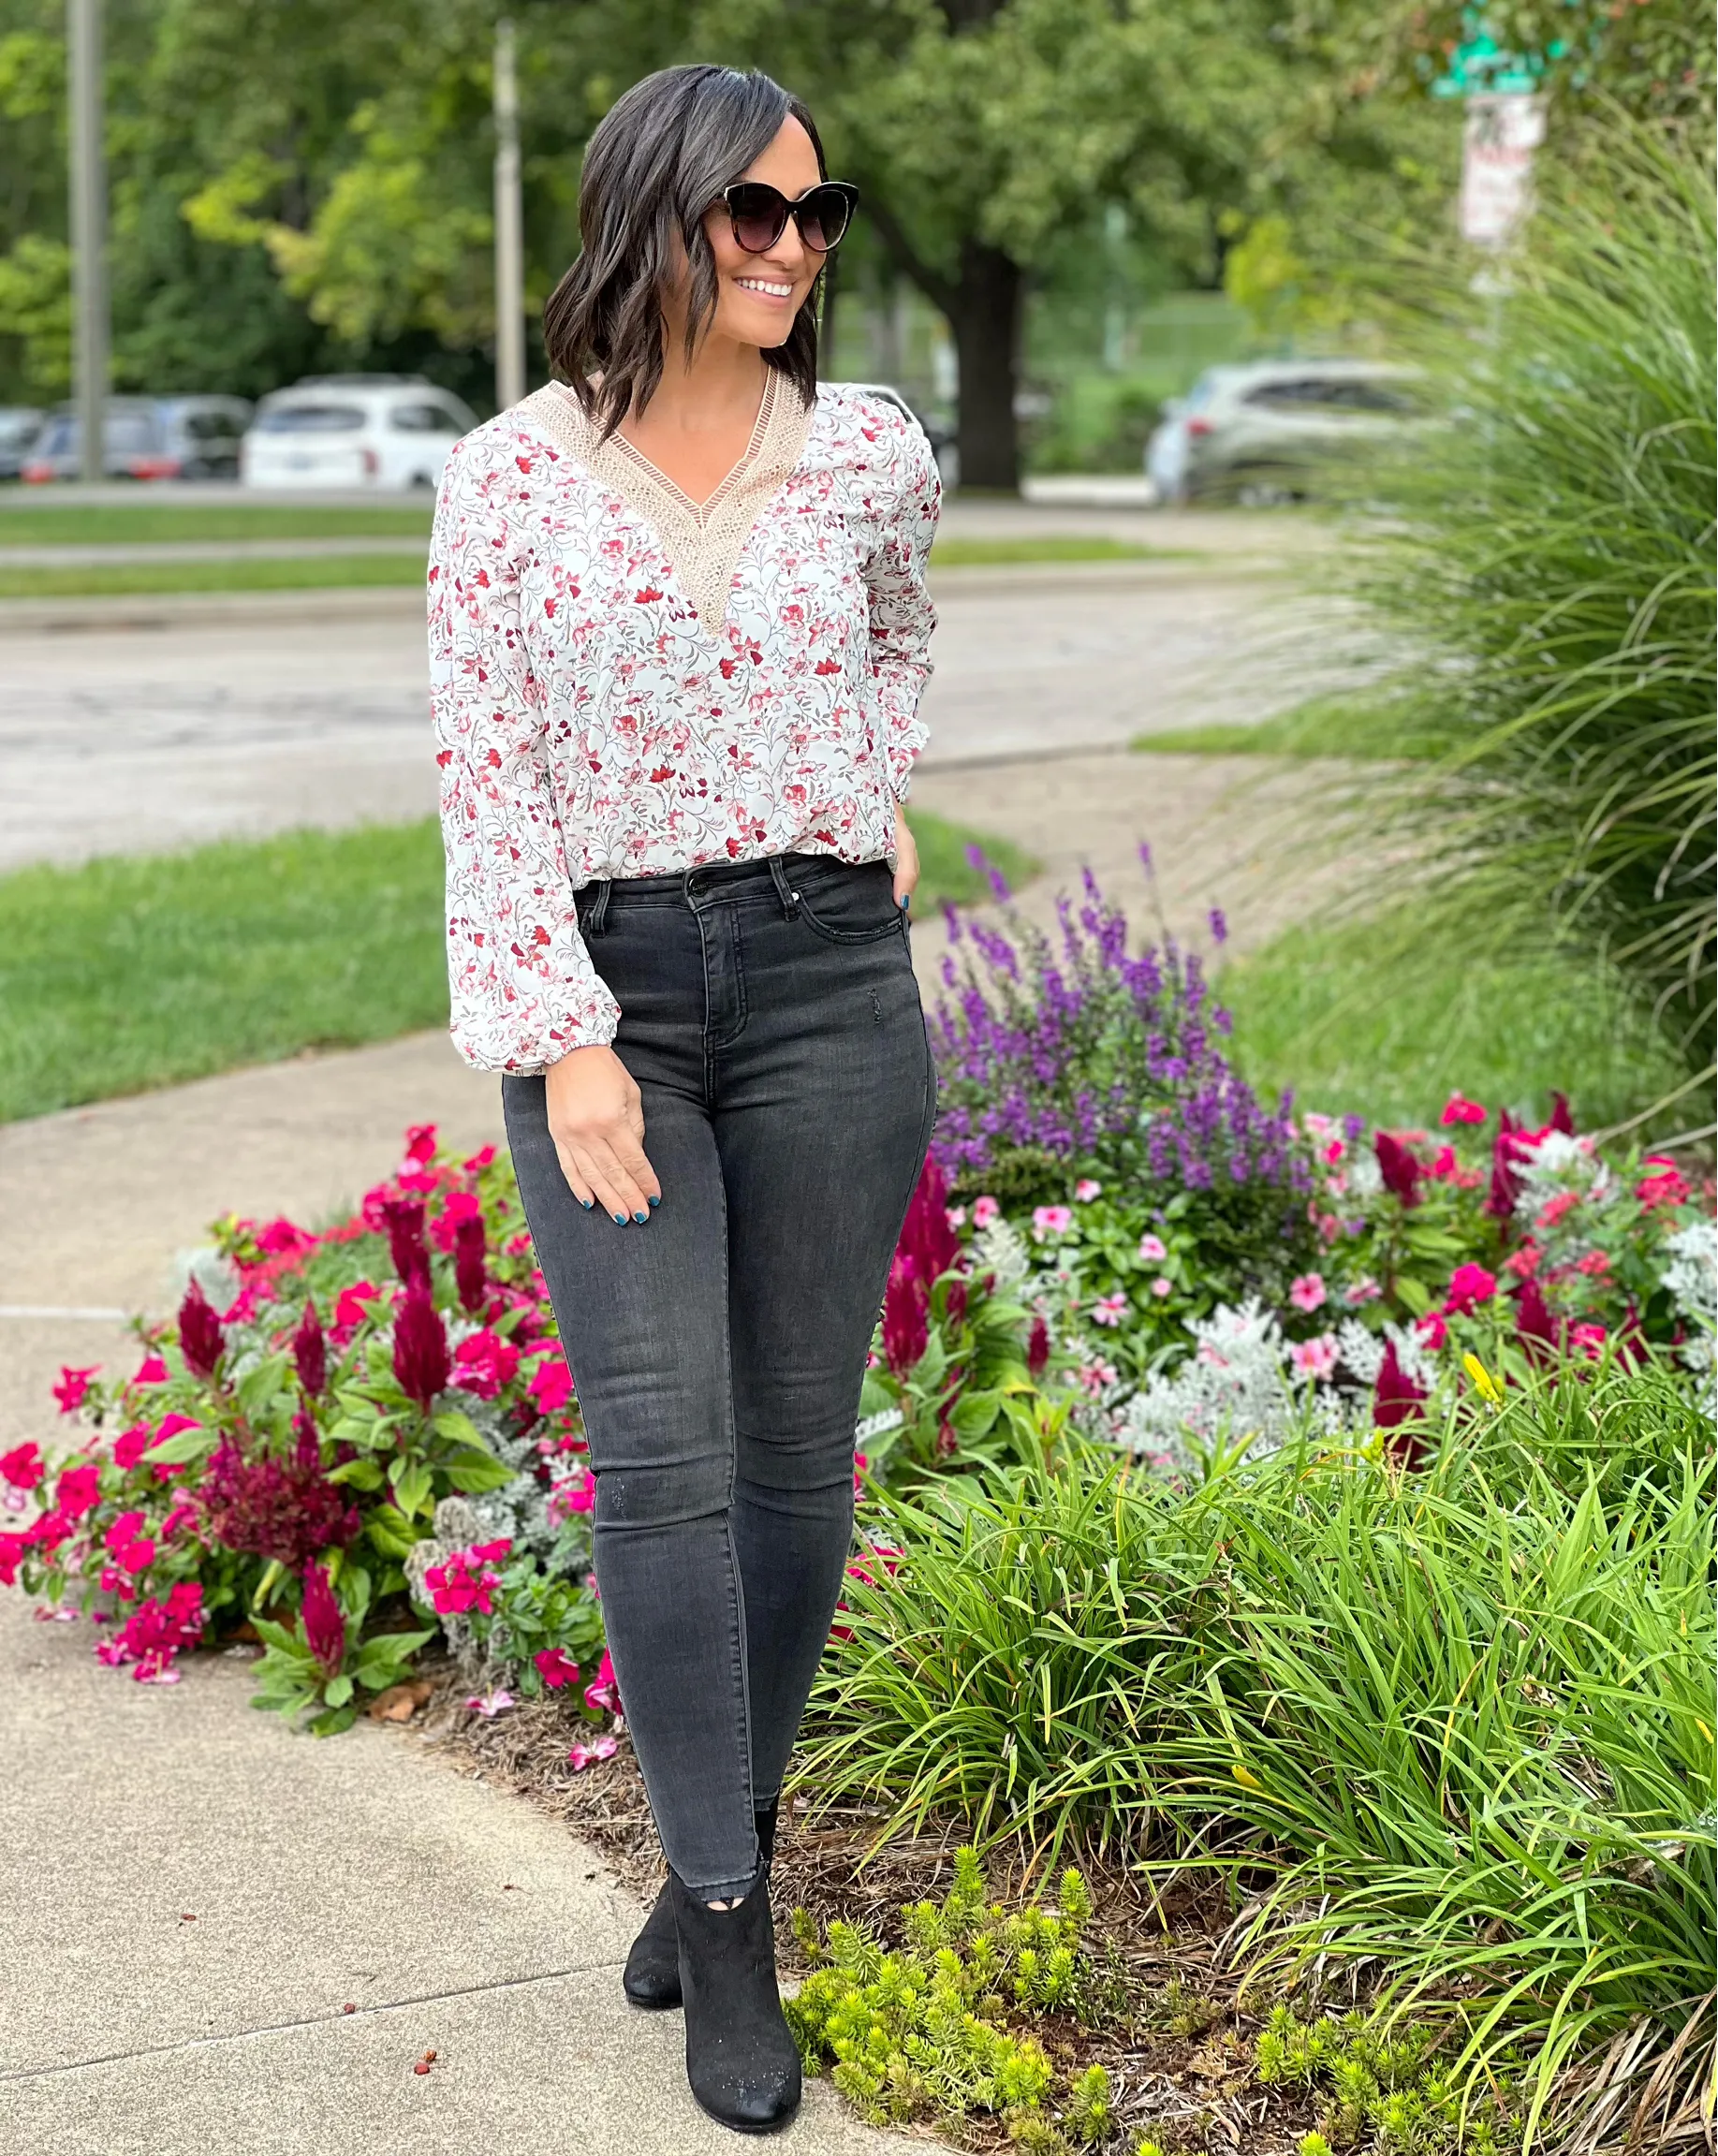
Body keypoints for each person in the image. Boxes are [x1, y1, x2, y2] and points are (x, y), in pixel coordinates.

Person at [429, 62, 940, 2134]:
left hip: (831, 980)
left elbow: (901, 638)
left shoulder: (871, 454)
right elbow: (486, 779)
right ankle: (727, 1914)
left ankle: (699, 1848)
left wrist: (872, 804)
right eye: (754, 213)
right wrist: (560, 1037)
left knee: (797, 1463)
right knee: (660, 1460)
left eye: (819, 216)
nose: (793, 251)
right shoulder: (508, 481)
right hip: (612, 991)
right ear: (651, 212)